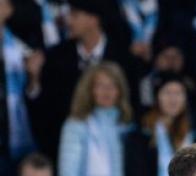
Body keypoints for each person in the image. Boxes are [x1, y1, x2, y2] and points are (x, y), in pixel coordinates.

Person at [29, 0, 135, 158]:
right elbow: (45, 111)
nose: (68, 21)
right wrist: (33, 79)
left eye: (75, 15)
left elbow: (132, 109)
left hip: (115, 155)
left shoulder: (125, 59)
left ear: (94, 19)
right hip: (64, 152)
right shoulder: (56, 57)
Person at [56, 61, 135, 176]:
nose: (107, 91)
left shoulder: (126, 127)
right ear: (89, 90)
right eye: (100, 85)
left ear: (120, 90)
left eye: (112, 86)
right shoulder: (76, 125)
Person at [136, 74, 196, 176]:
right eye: (167, 93)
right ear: (157, 97)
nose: (173, 99)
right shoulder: (143, 136)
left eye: (178, 93)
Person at [0, 0, 39, 176]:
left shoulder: (20, 50)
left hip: (14, 141)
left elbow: (33, 96)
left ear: (9, 10)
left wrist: (33, 78)